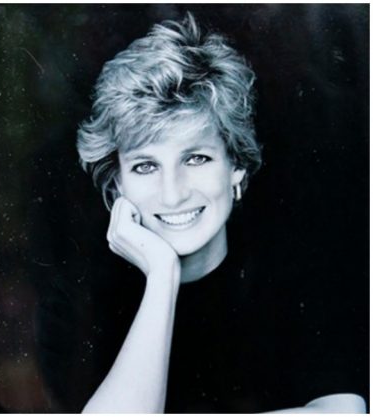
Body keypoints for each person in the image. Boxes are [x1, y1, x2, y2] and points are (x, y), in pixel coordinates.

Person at [67, 13, 366, 413]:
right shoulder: (94, 292)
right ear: (118, 183)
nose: (173, 194)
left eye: (196, 158)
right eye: (145, 166)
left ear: (236, 168)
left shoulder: (291, 272)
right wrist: (162, 276)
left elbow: (343, 412)